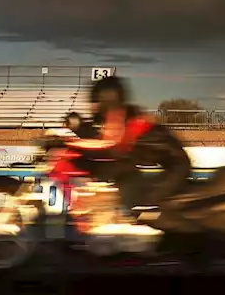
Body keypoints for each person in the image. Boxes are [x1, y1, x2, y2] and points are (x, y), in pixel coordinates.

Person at [63, 75, 192, 211]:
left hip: (136, 215)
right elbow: (83, 157)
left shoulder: (145, 131)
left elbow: (180, 164)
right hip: (95, 214)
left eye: (96, 104)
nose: (92, 108)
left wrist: (148, 200)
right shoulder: (91, 130)